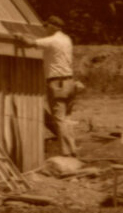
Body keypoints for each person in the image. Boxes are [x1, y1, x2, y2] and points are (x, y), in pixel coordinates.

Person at [20, 16, 79, 157]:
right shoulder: (66, 39)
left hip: (57, 82)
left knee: (59, 119)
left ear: (53, 27)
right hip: (69, 82)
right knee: (66, 118)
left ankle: (66, 153)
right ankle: (73, 149)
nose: (45, 29)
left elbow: (28, 43)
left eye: (46, 27)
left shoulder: (52, 40)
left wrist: (19, 36)